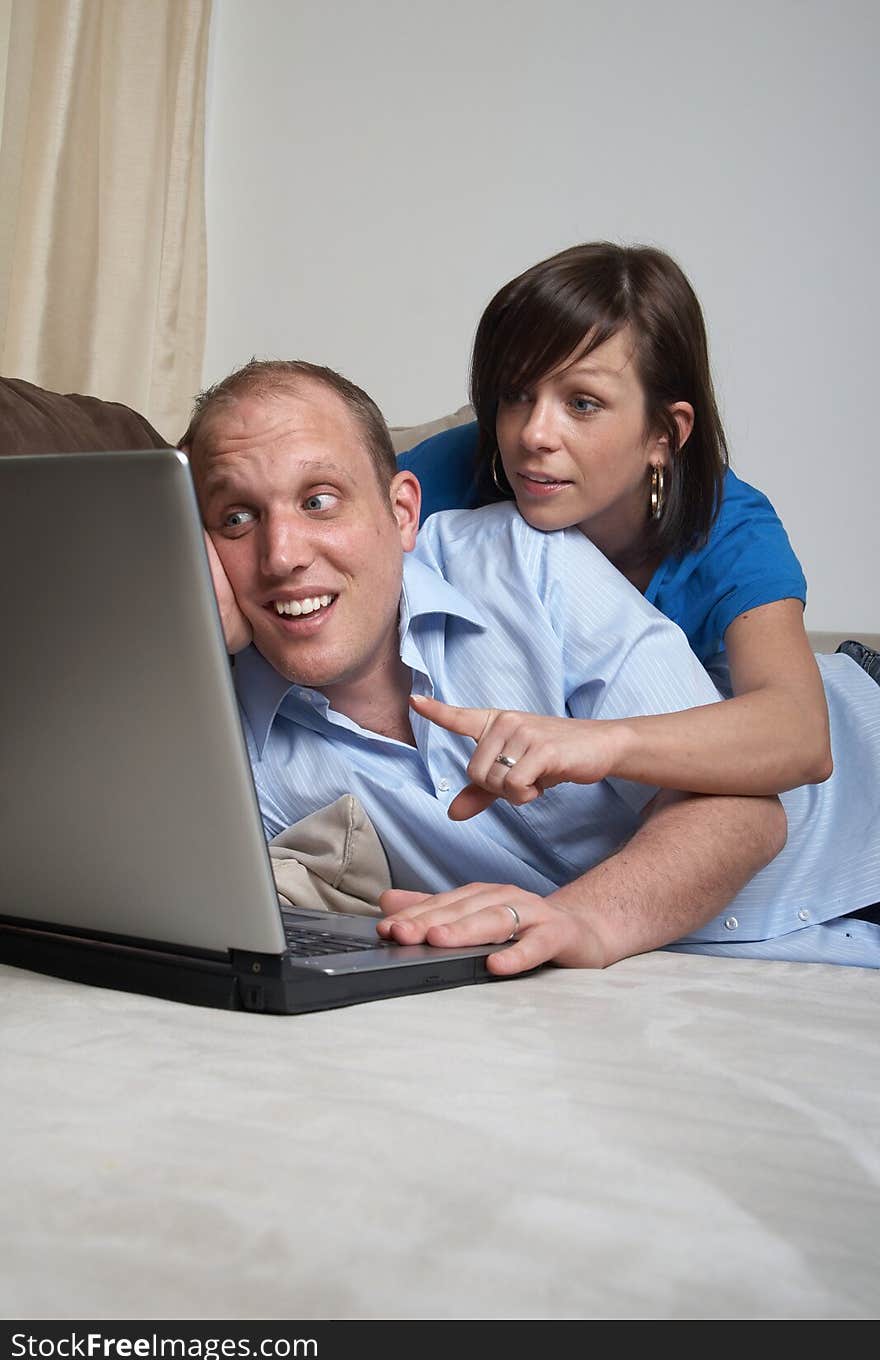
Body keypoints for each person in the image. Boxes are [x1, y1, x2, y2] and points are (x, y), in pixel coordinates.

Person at [181, 358, 880, 973]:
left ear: (401, 513)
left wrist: (584, 917)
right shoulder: (224, 736)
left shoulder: (527, 559)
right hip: (811, 943)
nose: (281, 555)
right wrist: (179, 604)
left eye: (319, 501)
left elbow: (742, 807)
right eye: (237, 518)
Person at [398, 242, 878, 802]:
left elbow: (801, 736)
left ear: (664, 435)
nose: (533, 434)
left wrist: (598, 743)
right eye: (516, 395)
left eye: (582, 403)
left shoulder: (731, 527)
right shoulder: (454, 467)